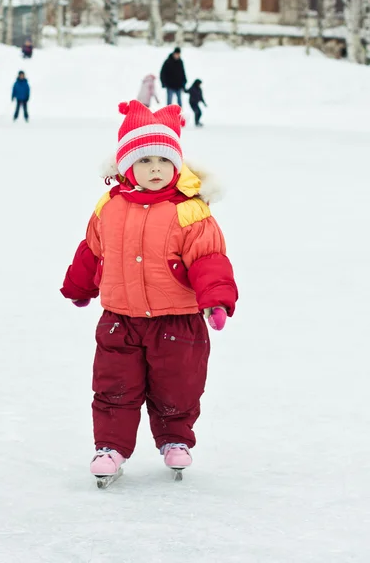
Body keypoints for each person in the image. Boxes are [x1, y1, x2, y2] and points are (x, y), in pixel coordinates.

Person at [60, 100, 238, 481]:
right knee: (113, 387)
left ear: (176, 165)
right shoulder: (110, 205)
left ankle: (176, 440)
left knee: (178, 386)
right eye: (144, 161)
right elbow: (94, 248)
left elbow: (209, 259)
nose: (155, 169)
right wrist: (79, 285)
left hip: (177, 322)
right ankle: (109, 447)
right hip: (119, 320)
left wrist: (217, 300)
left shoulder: (190, 210)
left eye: (163, 161)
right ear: (126, 166)